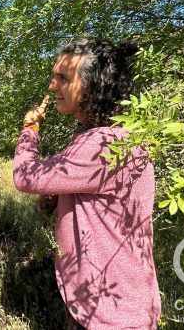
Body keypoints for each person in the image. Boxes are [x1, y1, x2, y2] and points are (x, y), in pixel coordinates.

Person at [12, 38, 161, 330]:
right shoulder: (116, 134)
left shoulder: (102, 144)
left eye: (63, 78)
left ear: (93, 87)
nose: (53, 85)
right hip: (110, 306)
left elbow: (25, 176)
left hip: (111, 316)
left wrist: (30, 128)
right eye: (54, 76)